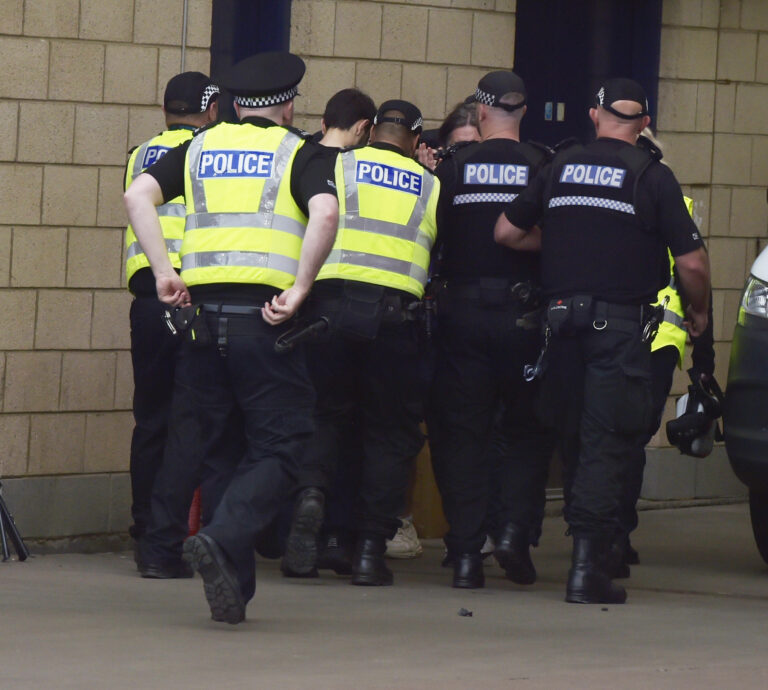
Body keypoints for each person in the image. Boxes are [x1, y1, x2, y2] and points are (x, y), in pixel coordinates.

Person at [123, 51, 339, 624]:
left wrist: (165, 272)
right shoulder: (300, 151)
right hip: (264, 320)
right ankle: (223, 537)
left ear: (237, 104)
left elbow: (135, 197)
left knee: (218, 451)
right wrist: (299, 287)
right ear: (288, 103)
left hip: (197, 319)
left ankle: (233, 593)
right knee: (282, 444)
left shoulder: (196, 146)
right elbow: (324, 215)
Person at [495, 77, 710, 604]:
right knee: (604, 441)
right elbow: (692, 261)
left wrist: (566, 240)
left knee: (561, 435)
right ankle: (588, 566)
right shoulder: (653, 176)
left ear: (594, 117)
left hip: (559, 324)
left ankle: (522, 535)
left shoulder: (560, 166)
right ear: (643, 124)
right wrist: (699, 311)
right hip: (616, 331)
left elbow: (506, 231)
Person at [281, 100, 439, 586]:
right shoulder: (430, 184)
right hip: (395, 322)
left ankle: (314, 502)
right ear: (414, 139)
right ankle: (369, 551)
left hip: (328, 310)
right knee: (388, 433)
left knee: (325, 417)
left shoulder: (336, 163)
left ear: (371, 132)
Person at [426, 71, 554, 589]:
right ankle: (516, 541)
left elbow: (430, 239)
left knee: (463, 434)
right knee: (525, 434)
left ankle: (464, 555)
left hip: (462, 317)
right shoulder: (544, 166)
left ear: (480, 114)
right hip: (525, 320)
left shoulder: (453, 168)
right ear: (521, 114)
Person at [278, 87, 377, 578]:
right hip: (365, 312)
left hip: (304, 309)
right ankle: (338, 535)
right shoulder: (376, 171)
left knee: (307, 415)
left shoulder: (300, 159)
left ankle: (298, 506)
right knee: (350, 425)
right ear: (362, 128)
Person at [124, 71, 219, 577]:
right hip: (191, 297)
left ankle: (144, 530)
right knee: (189, 421)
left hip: (146, 301)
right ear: (210, 110)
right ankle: (171, 536)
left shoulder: (140, 154)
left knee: (151, 419)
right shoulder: (206, 153)